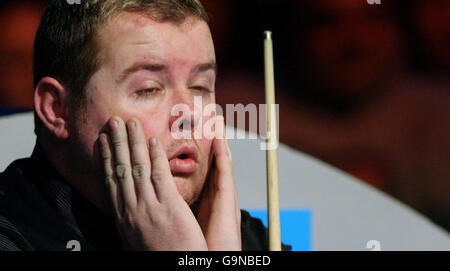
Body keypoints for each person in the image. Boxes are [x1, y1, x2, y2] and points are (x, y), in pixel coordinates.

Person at [0, 0, 289, 251]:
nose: (188, 115)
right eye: (149, 89)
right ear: (57, 110)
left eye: (200, 87)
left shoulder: (245, 239)